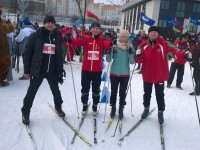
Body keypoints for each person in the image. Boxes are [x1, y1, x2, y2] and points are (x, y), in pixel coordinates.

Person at [135, 26, 191, 125]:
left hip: (159, 75)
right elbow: (138, 60)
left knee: (160, 95)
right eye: (151, 32)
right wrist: (137, 55)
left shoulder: (164, 44)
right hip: (147, 74)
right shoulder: (143, 45)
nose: (153, 34)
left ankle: (160, 112)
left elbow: (176, 50)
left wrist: (184, 54)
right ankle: (146, 109)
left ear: (158, 34)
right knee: (146, 93)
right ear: (149, 34)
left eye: (155, 32)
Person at [21, 16, 66, 125]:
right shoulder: (36, 35)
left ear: (54, 24)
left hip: (52, 70)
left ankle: (58, 107)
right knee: (31, 92)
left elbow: (59, 55)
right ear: (44, 23)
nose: (50, 24)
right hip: (38, 70)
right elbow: (27, 53)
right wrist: (27, 71)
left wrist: (60, 69)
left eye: (52, 23)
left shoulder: (57, 36)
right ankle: (25, 112)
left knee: (56, 91)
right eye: (48, 22)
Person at [67, 21, 111, 115]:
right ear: (91, 29)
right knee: (85, 88)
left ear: (100, 30)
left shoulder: (101, 40)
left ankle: (95, 106)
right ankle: (84, 105)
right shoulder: (86, 39)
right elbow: (78, 43)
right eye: (93, 28)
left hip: (97, 70)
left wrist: (112, 43)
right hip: (86, 70)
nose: (95, 30)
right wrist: (70, 40)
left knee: (96, 89)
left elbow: (107, 44)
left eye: (97, 28)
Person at [106, 30, 135, 119]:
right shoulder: (115, 46)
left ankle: (121, 108)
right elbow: (108, 60)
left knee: (122, 93)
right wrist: (110, 51)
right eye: (122, 36)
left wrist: (130, 53)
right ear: (120, 37)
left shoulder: (130, 47)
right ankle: (113, 108)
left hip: (125, 74)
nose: (123, 38)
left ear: (128, 38)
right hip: (114, 73)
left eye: (125, 37)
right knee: (114, 92)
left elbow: (132, 62)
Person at [0, 8, 15, 87]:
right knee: (4, 63)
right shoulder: (2, 26)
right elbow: (11, 28)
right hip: (2, 50)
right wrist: (9, 22)